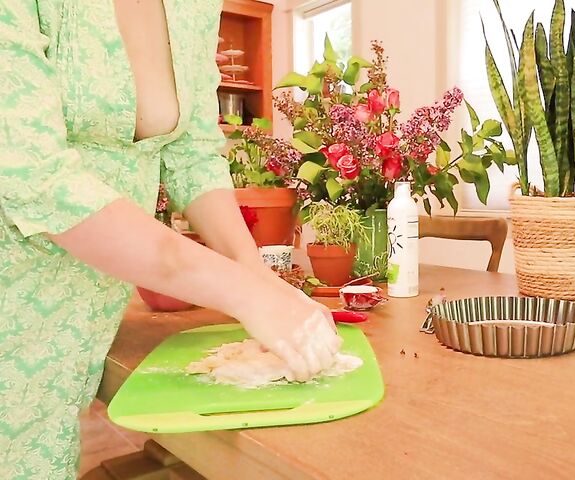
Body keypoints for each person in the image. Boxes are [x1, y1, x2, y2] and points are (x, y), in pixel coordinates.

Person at [0, 1, 340, 478]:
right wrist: (242, 293)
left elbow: (192, 150)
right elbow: (36, 175)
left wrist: (258, 277)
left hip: (88, 304)